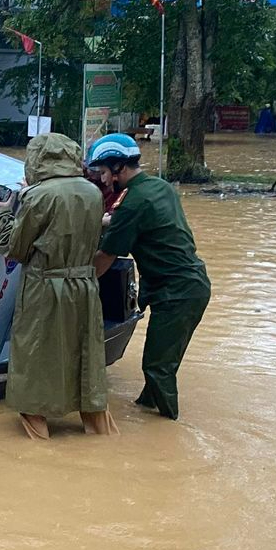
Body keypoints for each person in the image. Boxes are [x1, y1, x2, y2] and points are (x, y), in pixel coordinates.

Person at [0, 133, 118, 440]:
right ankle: (102, 436)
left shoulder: (37, 197)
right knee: (85, 356)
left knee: (34, 361)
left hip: (45, 288)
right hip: (85, 287)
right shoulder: (92, 193)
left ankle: (39, 447)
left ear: (36, 161)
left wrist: (4, 212)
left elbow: (15, 248)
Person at [89, 134, 211, 421]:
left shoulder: (133, 203)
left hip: (176, 292)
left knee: (158, 367)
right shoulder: (159, 187)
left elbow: (104, 260)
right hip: (191, 284)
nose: (104, 180)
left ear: (120, 167)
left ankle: (168, 433)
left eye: (105, 172)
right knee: (161, 361)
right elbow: (122, 220)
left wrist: (73, 281)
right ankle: (147, 409)